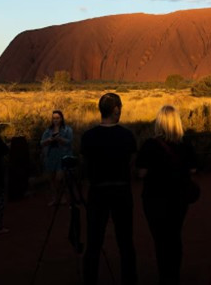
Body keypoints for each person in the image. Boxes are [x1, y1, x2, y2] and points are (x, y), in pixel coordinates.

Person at [136, 105, 198, 285]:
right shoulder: (185, 144)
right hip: (179, 199)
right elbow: (193, 168)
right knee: (174, 235)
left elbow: (141, 173)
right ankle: (174, 277)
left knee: (160, 239)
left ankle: (165, 277)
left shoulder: (149, 145)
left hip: (154, 199)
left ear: (159, 123)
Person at [80, 93, 138, 285]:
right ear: (116, 110)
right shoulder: (127, 136)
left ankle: (90, 280)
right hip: (121, 191)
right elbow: (131, 163)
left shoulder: (88, 137)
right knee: (126, 242)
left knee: (94, 241)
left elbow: (85, 165)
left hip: (97, 192)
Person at [40, 109, 73, 206]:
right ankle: (55, 198)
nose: (55, 120)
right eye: (53, 118)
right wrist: (49, 140)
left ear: (62, 119)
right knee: (51, 179)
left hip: (62, 156)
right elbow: (41, 142)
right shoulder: (48, 130)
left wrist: (59, 139)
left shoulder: (67, 130)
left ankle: (62, 196)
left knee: (59, 178)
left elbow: (69, 142)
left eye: (57, 118)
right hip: (50, 156)